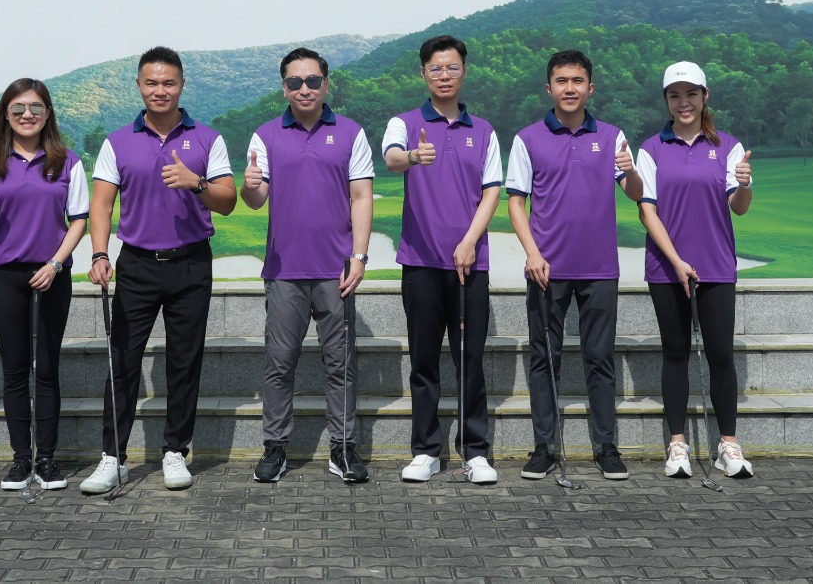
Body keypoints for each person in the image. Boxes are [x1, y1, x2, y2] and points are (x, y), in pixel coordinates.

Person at [79, 47, 237, 494]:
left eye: (168, 82)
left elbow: (228, 201)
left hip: (191, 262)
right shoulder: (117, 142)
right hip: (137, 265)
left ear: (181, 85)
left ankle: (175, 451)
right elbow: (102, 204)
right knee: (123, 362)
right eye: (151, 82)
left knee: (184, 361)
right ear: (139, 85)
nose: (160, 90)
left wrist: (196, 183)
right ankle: (113, 457)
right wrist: (99, 254)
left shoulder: (207, 138)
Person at [505, 49, 643, 482]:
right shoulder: (527, 139)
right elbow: (516, 202)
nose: (570, 88)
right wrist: (532, 253)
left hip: (599, 267)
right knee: (544, 359)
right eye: (562, 81)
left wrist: (631, 171)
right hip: (546, 267)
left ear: (590, 87)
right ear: (549, 88)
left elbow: (636, 193)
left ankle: (606, 447)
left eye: (577, 80)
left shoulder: (613, 137)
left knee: (599, 358)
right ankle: (544, 447)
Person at [240, 47, 375, 483]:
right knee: (280, 363)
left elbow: (361, 196)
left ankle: (343, 447)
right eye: (295, 82)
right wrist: (249, 186)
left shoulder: (351, 133)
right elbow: (255, 199)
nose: (304, 89)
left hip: (336, 270)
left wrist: (359, 255)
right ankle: (276, 447)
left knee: (340, 364)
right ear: (284, 88)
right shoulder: (265, 136)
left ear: (326, 84)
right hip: (284, 271)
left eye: (313, 81)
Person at [381, 34, 502, 484]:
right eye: (436, 68)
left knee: (470, 360)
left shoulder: (484, 131)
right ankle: (426, 450)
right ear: (423, 73)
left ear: (464, 71)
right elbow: (392, 159)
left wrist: (470, 241)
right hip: (421, 262)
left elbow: (492, 191)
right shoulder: (405, 123)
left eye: (452, 67)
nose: (444, 75)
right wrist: (414, 156)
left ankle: (475, 451)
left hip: (471, 264)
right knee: (424, 361)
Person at [635, 61, 756, 480]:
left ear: (705, 96)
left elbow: (739, 207)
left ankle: (728, 445)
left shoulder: (729, 146)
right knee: (675, 353)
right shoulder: (651, 148)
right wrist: (676, 261)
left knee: (721, 354)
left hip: (716, 265)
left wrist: (745, 184)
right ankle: (677, 444)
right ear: (666, 100)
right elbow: (647, 211)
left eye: (691, 94)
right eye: (674, 95)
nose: (683, 102)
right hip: (666, 268)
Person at [0, 80, 88, 491]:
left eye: (35, 107)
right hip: (3, 276)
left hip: (52, 273)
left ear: (48, 113)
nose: (27, 115)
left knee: (47, 369)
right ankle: (21, 460)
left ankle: (47, 460)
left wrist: (55, 263)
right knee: (15, 369)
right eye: (17, 108)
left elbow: (79, 220)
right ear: (6, 114)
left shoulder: (66, 161)